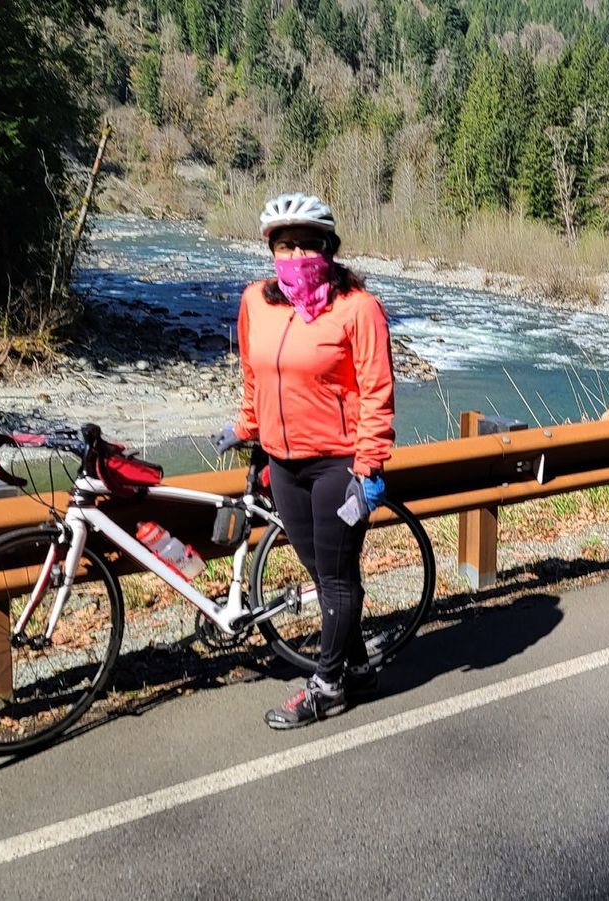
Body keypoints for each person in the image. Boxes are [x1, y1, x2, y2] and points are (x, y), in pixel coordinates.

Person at [213, 192, 396, 729]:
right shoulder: (256, 301)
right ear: (271, 250)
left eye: (306, 244)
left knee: (336, 578)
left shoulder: (358, 308)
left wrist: (369, 467)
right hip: (283, 465)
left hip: (338, 464)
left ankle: (328, 685)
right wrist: (247, 427)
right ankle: (358, 669)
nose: (295, 255)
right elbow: (254, 374)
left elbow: (377, 391)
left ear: (328, 248)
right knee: (320, 570)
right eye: (284, 245)